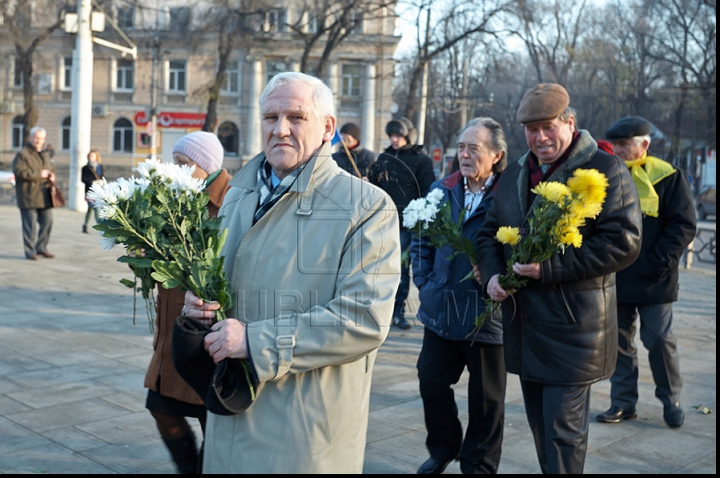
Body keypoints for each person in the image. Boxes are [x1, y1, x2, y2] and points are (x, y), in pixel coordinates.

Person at [181, 72, 401, 473]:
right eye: (270, 117)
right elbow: (225, 282)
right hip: (230, 410)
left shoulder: (367, 206)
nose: (280, 129)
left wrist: (256, 340)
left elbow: (364, 319)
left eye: (296, 117)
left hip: (302, 429)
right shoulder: (238, 194)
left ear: (327, 128)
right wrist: (199, 303)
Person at [475, 83, 643, 474]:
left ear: (570, 123)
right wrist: (492, 276)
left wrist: (549, 269)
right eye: (532, 130)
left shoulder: (604, 169)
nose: (540, 137)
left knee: (562, 433)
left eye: (548, 126)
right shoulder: (516, 172)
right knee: (541, 427)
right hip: (525, 327)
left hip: (574, 328)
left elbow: (624, 242)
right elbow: (488, 231)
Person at [411, 117, 507, 474]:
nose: (464, 155)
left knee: (486, 400)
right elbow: (420, 239)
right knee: (431, 381)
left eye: (474, 149)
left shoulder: (509, 196)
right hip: (442, 309)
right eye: (461, 147)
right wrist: (425, 281)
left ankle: (478, 464)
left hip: (486, 313)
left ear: (496, 155)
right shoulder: (442, 188)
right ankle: (443, 447)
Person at [596, 116, 696, 429]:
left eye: (626, 144)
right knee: (619, 343)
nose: (620, 150)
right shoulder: (607, 175)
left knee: (660, 340)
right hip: (617, 275)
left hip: (656, 277)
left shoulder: (668, 176)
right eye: (617, 144)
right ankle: (623, 402)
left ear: (645, 144)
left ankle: (671, 399)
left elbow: (684, 224)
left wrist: (659, 261)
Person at [143, 131, 232, 474]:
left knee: (216, 419)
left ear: (205, 166)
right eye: (175, 161)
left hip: (205, 330)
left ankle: (211, 468)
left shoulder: (229, 200)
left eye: (183, 163)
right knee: (161, 406)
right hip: (171, 329)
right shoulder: (175, 197)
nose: (175, 169)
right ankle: (190, 468)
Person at [368, 117, 435, 330]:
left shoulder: (421, 160)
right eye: (392, 136)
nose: (394, 140)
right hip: (383, 222)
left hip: (407, 225)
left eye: (398, 136)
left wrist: (420, 217)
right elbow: (375, 186)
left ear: (407, 135)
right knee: (378, 269)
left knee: (401, 269)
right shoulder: (384, 158)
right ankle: (379, 311)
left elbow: (428, 191)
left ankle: (398, 312)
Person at [13, 126, 56, 260]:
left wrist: (51, 174)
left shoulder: (45, 153)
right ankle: (30, 251)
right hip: (28, 195)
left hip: (44, 195)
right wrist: (39, 174)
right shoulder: (23, 154)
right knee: (29, 226)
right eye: (36, 137)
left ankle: (41, 248)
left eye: (41, 138)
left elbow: (51, 167)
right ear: (31, 137)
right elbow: (19, 172)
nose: (38, 141)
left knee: (48, 222)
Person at [81, 150, 103, 233]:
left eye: (93, 156)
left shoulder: (99, 167)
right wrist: (92, 181)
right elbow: (83, 179)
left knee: (90, 209)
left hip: (97, 191)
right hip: (89, 191)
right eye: (90, 156)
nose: (91, 157)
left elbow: (102, 176)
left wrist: (101, 182)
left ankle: (85, 225)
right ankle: (100, 225)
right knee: (95, 207)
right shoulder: (85, 168)